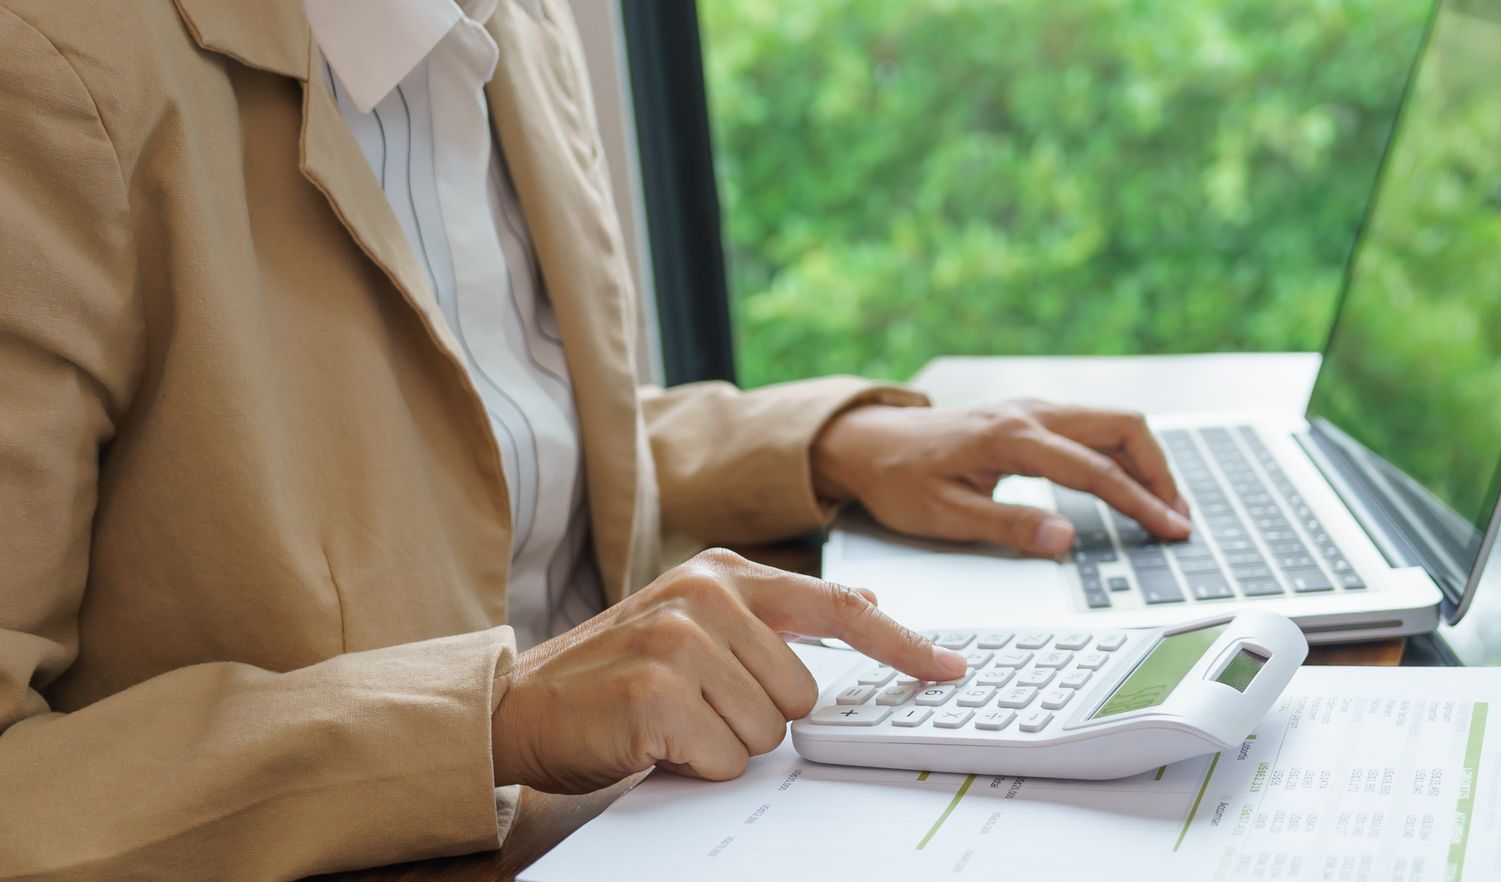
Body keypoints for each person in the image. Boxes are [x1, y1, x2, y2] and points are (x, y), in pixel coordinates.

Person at [0, 0, 1193, 878]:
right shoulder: (50, 71)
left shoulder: (518, 23)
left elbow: (497, 451)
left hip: (660, 817)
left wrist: (830, 446)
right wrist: (495, 718)